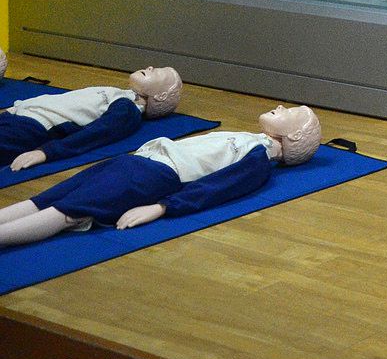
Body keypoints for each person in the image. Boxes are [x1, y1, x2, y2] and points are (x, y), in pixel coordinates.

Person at [0, 105, 322, 248]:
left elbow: (217, 189)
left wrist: (162, 207)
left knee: (68, 211)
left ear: (293, 137)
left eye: (290, 113)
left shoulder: (258, 160)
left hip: (156, 174)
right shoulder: (252, 141)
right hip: (138, 161)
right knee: (49, 198)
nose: (281, 107)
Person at [1, 67, 183, 171]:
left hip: (30, 127)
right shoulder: (120, 95)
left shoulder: (128, 108)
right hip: (16, 116)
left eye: (157, 72)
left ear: (160, 96)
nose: (150, 67)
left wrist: (46, 152)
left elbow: (96, 134)